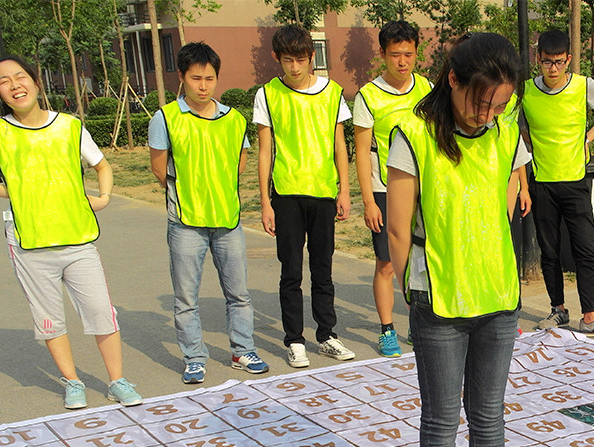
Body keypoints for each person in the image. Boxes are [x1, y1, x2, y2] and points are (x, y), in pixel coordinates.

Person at [387, 32, 533, 447]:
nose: (487, 113)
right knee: (443, 420)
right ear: (453, 80)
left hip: (497, 295)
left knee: (489, 416)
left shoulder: (504, 131)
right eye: (480, 100)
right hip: (440, 299)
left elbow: (510, 201)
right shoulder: (413, 135)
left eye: (499, 104)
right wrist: (415, 291)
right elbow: (398, 230)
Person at [0, 56, 142, 410]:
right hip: (29, 243)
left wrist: (103, 197)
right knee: (49, 317)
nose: (15, 85)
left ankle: (117, 381)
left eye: (20, 77)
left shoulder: (68, 126)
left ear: (36, 82)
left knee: (101, 312)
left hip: (78, 239)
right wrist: (12, 192)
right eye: (4, 81)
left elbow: (101, 165)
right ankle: (72, 382)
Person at [149, 41, 268, 385]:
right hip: (186, 223)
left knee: (239, 294)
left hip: (228, 221)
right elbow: (160, 168)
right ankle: (194, 357)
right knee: (187, 297)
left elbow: (240, 164)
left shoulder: (233, 119)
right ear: (182, 78)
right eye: (196, 78)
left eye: (210, 78)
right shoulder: (166, 118)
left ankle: (242, 350)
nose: (203, 85)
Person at [254, 24, 355, 368]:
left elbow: (340, 145)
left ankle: (327, 335)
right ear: (276, 59)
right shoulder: (267, 95)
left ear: (312, 57)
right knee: (291, 271)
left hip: (324, 192)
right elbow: (264, 151)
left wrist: (345, 189)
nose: (294, 67)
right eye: (287, 60)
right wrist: (265, 202)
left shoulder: (332, 93)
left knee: (323, 269)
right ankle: (294, 339)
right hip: (286, 194)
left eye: (300, 60)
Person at [522, 29, 594, 338]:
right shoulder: (525, 91)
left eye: (558, 62)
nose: (552, 69)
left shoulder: (583, 86)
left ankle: (590, 316)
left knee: (585, 249)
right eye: (546, 62)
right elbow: (515, 128)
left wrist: (587, 137)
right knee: (550, 251)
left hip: (575, 181)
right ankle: (558, 310)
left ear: (568, 60)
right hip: (542, 182)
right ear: (538, 60)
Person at [353, 20, 431, 357]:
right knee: (387, 262)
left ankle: (420, 323)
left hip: (424, 187)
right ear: (383, 54)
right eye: (395, 55)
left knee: (423, 257)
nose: (402, 62)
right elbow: (361, 151)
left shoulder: (427, 88)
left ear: (417, 54)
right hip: (385, 189)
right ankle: (387, 329)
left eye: (409, 54)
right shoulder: (368, 96)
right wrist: (368, 201)